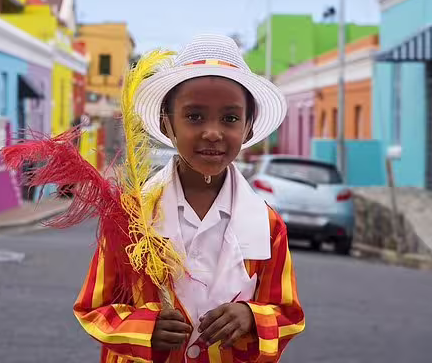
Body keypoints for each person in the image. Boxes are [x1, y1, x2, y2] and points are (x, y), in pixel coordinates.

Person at [74, 35, 305, 362]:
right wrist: (143, 328)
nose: (213, 132)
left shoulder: (268, 226)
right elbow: (94, 307)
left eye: (230, 118)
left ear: (249, 128)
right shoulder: (132, 215)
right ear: (167, 124)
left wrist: (252, 318)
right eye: (194, 116)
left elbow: (288, 313)